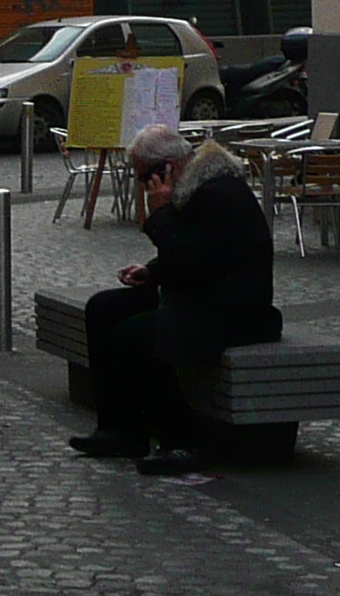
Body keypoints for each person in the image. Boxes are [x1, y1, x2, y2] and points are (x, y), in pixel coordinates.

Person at [73, 122, 279, 476]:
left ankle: (182, 440)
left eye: (143, 178)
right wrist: (152, 271)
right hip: (202, 293)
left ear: (167, 166)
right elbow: (191, 256)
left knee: (136, 335)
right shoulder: (193, 187)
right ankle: (120, 428)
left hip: (235, 309)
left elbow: (192, 258)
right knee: (103, 309)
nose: (142, 186)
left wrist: (160, 214)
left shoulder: (214, 193)